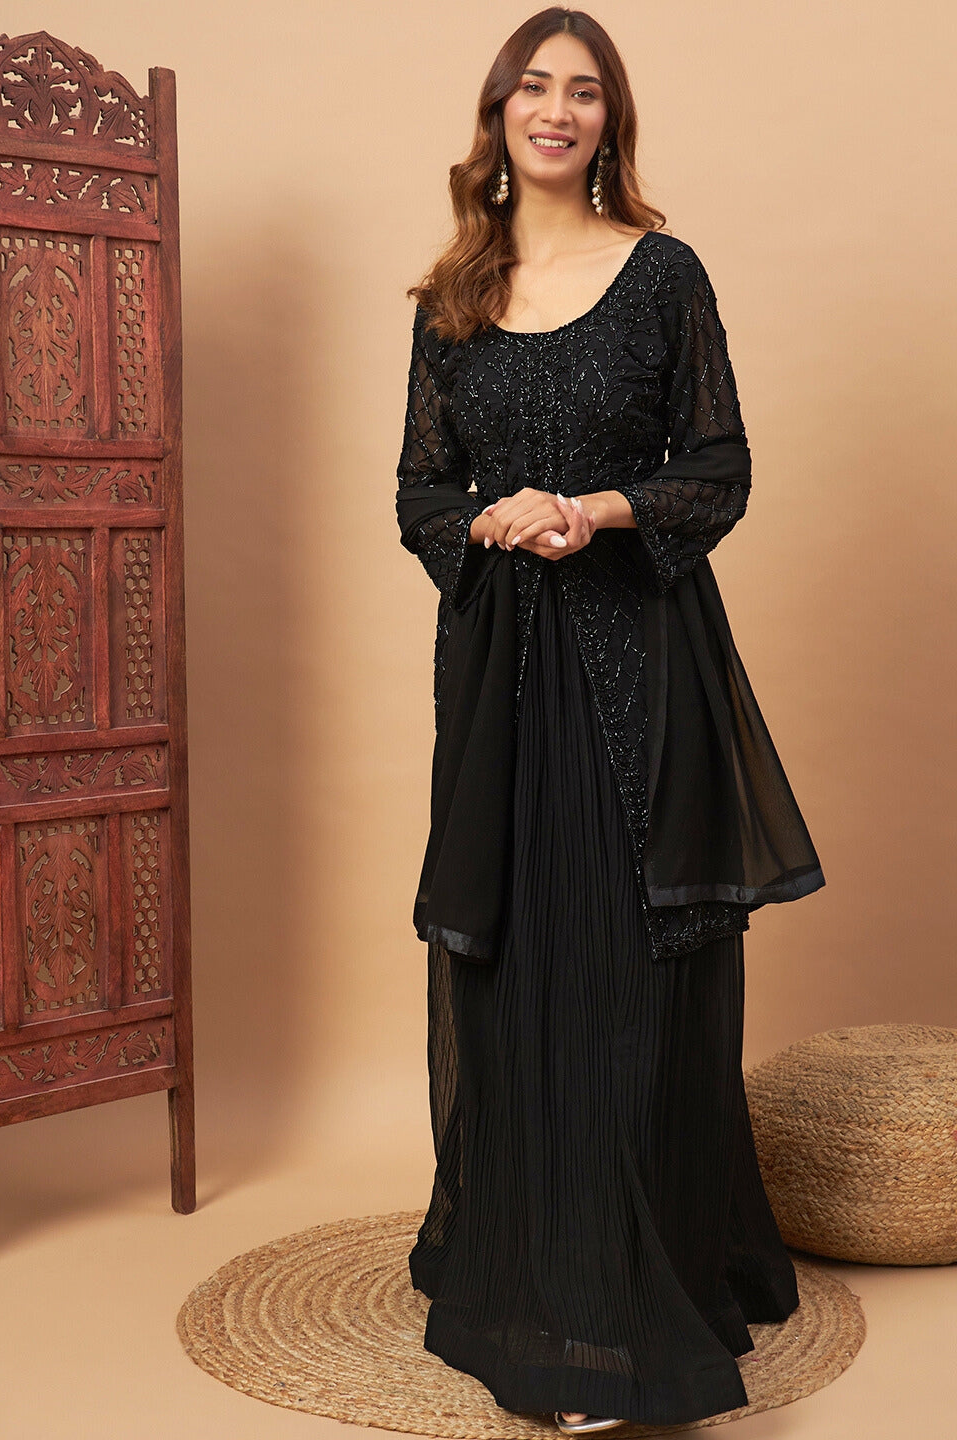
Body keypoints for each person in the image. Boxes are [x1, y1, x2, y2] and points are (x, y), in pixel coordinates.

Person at [393, 6, 826, 1434]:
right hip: (500, 690)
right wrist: (490, 523)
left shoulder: (662, 275)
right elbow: (418, 493)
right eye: (535, 87)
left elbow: (721, 467)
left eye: (584, 92)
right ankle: (535, 1270)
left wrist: (596, 509)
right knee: (518, 974)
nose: (557, 110)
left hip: (640, 668)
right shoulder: (451, 299)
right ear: (498, 113)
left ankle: (612, 1313)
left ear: (609, 123)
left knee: (629, 983)